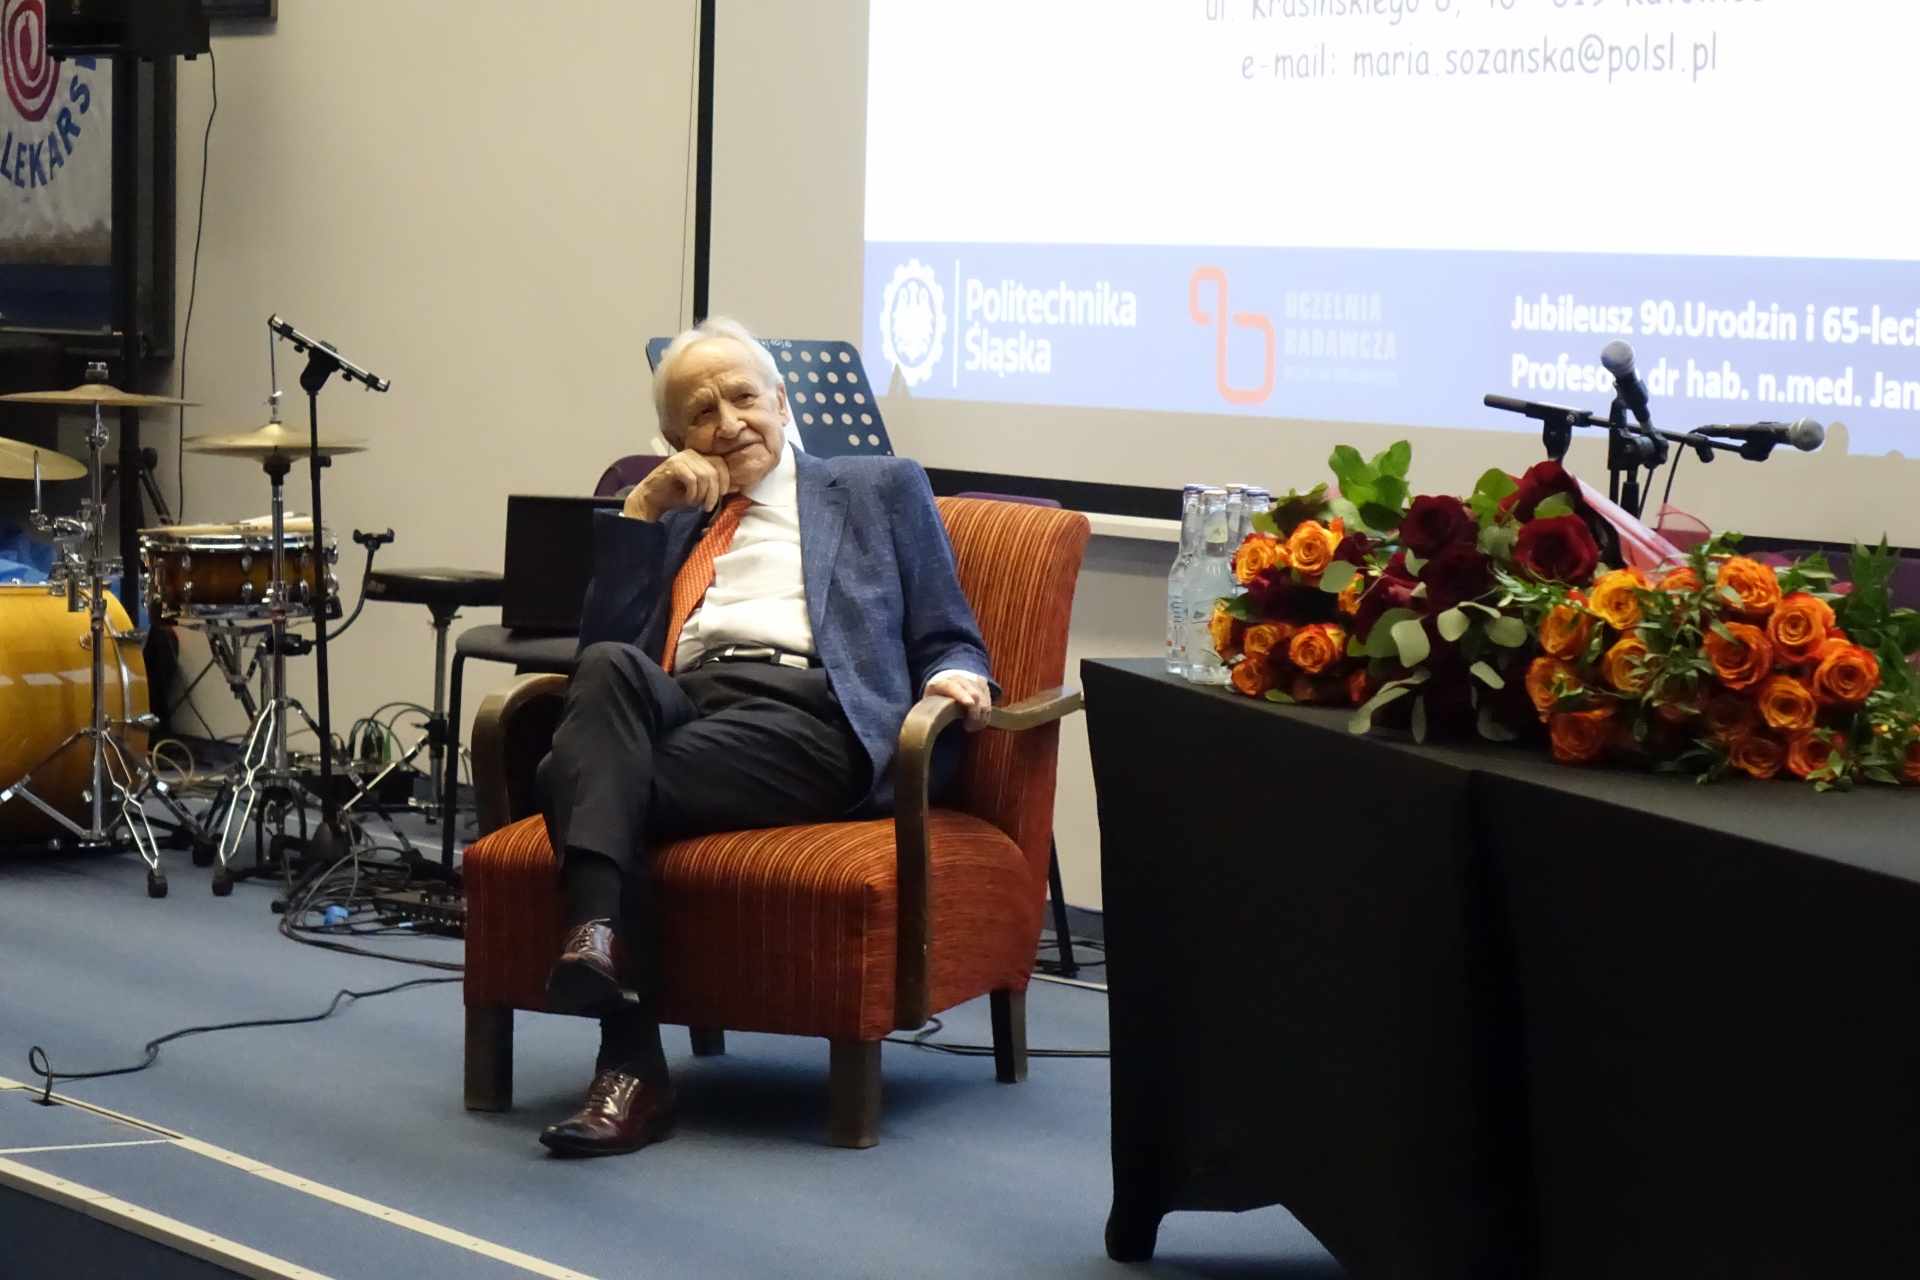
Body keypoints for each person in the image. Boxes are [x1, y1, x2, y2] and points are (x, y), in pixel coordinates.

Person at [534, 316, 995, 1158]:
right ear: (675, 440)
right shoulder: (675, 518)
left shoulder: (878, 486)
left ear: (782, 402)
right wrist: (641, 509)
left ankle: (625, 1057)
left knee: (572, 776)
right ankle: (597, 941)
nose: (729, 423)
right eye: (701, 414)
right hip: (687, 707)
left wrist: (954, 677)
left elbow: (950, 632)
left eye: (743, 398)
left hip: (812, 718)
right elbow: (599, 650)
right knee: (604, 671)